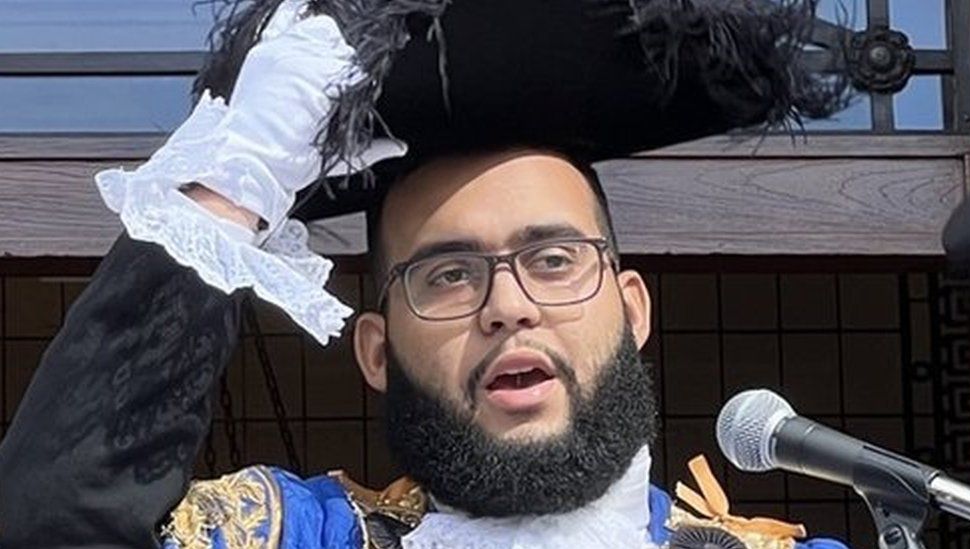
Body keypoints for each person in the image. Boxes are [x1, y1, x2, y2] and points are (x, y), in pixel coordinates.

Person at [0, 1, 851, 547]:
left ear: (632, 309)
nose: (508, 305)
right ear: (376, 349)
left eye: (553, 260)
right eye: (447, 276)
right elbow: (52, 521)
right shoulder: (295, 537)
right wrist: (229, 192)